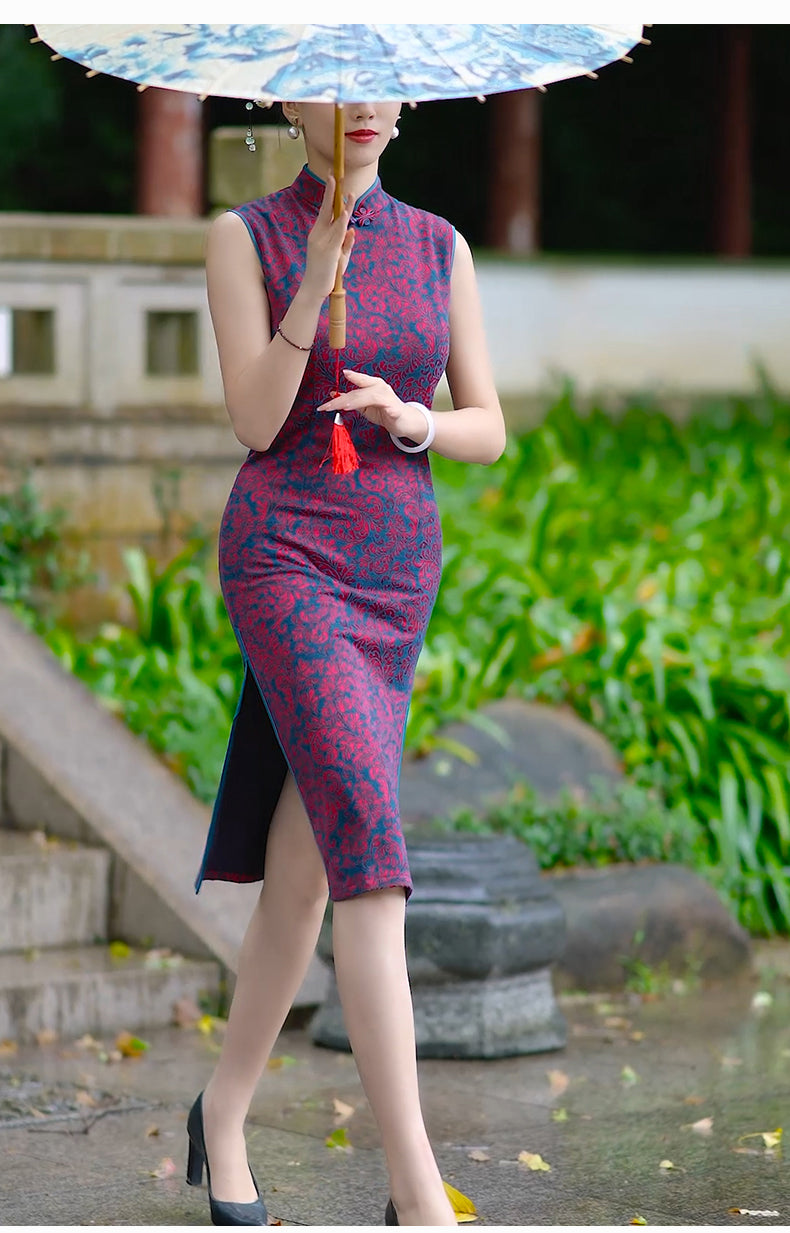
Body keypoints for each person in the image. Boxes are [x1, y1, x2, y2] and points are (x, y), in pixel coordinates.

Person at [187, 98, 505, 1227]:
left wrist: (411, 420)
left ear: (407, 99)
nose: (363, 104)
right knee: (369, 849)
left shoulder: (439, 245)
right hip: (285, 558)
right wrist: (314, 274)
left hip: (394, 568)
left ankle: (222, 1112)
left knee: (311, 868)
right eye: (336, 78)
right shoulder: (247, 238)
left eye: (381, 78)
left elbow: (489, 424)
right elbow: (254, 419)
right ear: (286, 99)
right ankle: (418, 1193)